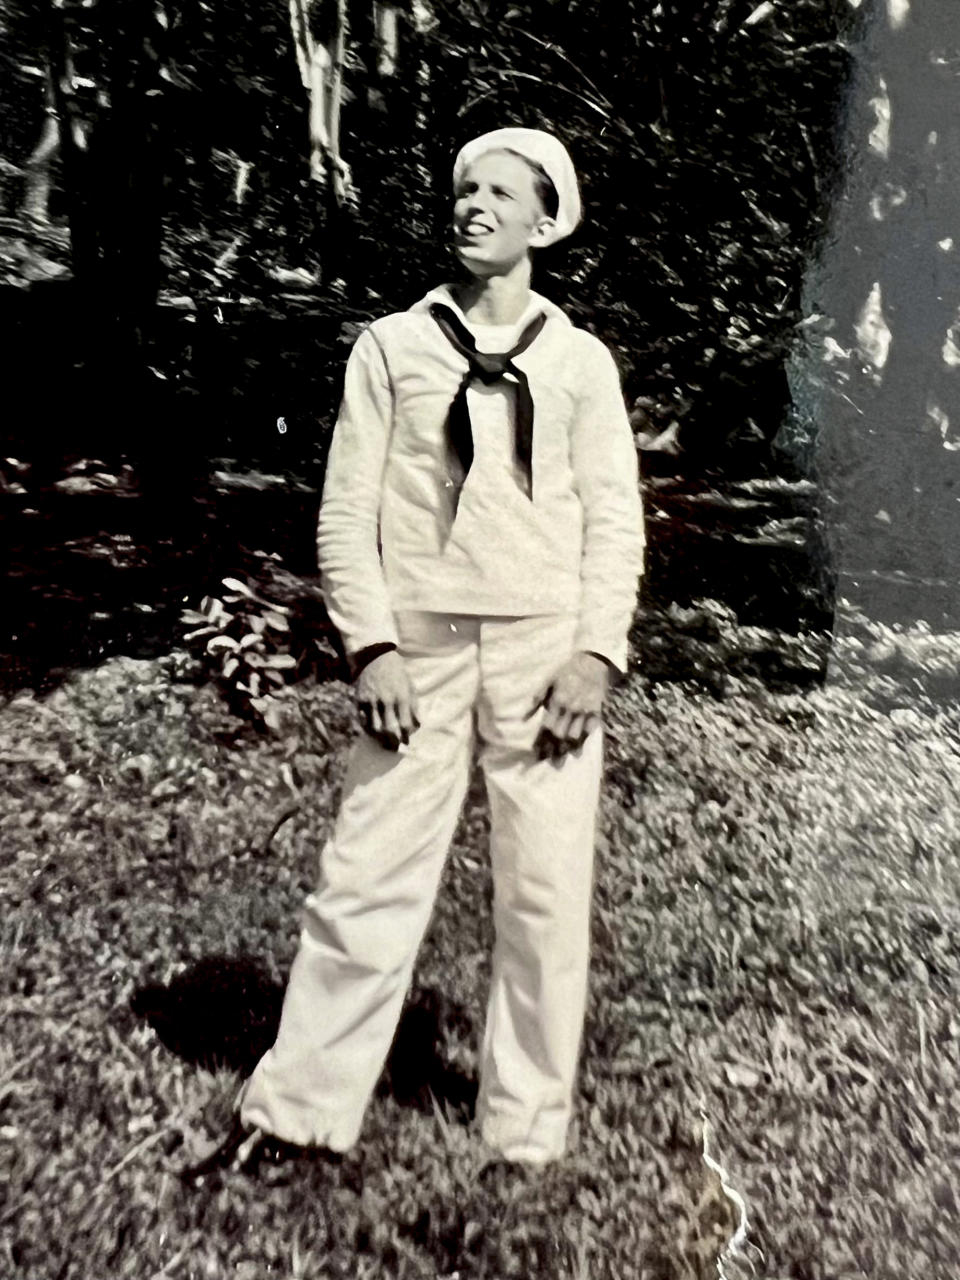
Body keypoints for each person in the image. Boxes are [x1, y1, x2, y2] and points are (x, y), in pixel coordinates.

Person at [184, 126, 644, 1179]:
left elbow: (617, 523)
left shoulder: (578, 365)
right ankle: (297, 1114)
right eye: (462, 189)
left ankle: (523, 1131)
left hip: (543, 659)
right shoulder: (391, 348)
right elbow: (346, 515)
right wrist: (373, 645)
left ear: (545, 221)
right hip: (420, 652)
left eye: (500, 193)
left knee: (542, 894)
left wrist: (595, 657)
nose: (474, 205)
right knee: (364, 879)